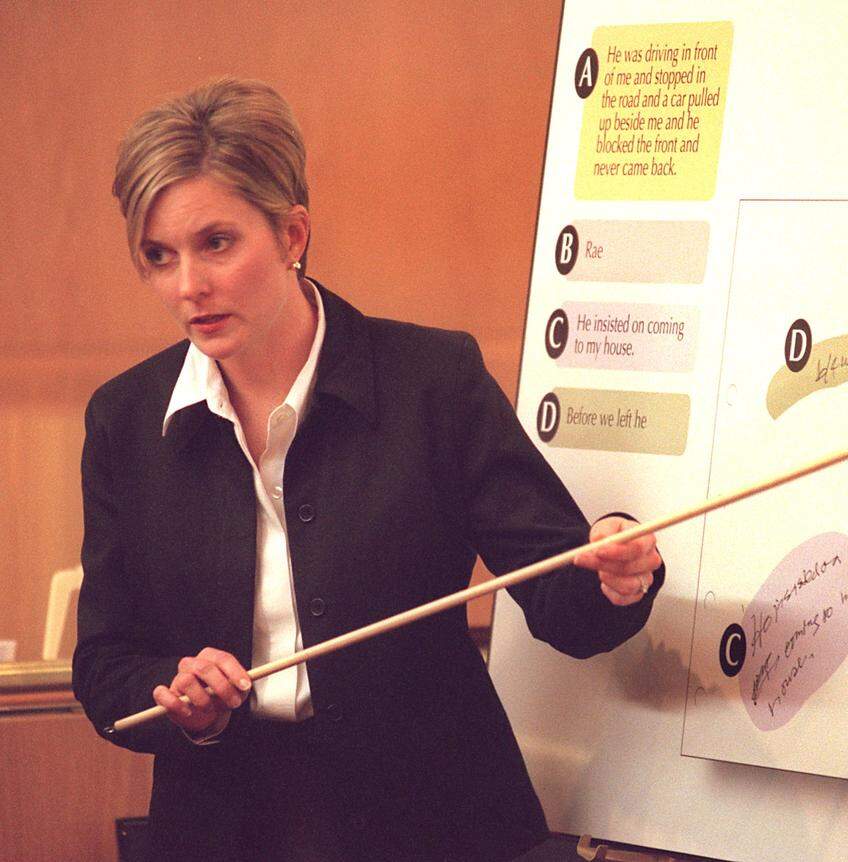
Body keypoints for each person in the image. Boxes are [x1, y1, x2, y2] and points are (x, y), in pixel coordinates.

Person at [73, 78, 663, 862]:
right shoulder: (124, 419)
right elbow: (106, 665)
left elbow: (563, 596)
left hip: (436, 824)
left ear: (292, 235)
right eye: (159, 256)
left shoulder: (432, 379)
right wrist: (180, 702)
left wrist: (616, 570)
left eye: (217, 242)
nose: (188, 287)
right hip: (221, 831)